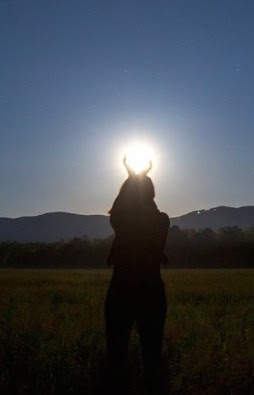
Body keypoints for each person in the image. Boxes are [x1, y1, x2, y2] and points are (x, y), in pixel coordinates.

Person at [104, 157, 169, 394]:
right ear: (152, 193)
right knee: (152, 356)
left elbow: (118, 211)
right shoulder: (162, 221)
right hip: (152, 293)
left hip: (121, 292)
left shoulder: (121, 221)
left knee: (116, 355)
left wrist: (131, 178)